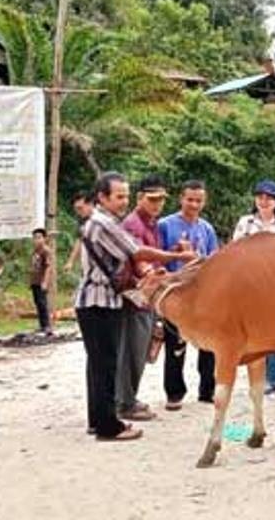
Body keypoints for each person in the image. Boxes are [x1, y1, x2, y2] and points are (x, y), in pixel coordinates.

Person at [76, 171, 194, 441]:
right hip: (99, 301)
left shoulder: (107, 221)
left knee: (99, 363)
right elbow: (136, 253)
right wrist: (178, 255)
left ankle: (99, 419)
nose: (123, 201)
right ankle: (109, 425)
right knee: (106, 363)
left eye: (126, 196)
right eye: (119, 196)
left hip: (101, 300)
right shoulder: (104, 224)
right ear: (102, 197)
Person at [158, 180, 221, 410]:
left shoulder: (207, 228)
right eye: (190, 199)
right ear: (181, 199)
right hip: (175, 293)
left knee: (209, 345)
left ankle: (208, 390)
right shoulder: (165, 225)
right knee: (175, 344)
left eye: (198, 200)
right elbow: (157, 257)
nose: (194, 204)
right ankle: (174, 393)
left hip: (203, 293)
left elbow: (215, 259)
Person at [232, 179, 275, 395]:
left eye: (269, 197)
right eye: (260, 196)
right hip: (249, 284)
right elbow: (235, 250)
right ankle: (259, 377)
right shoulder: (246, 222)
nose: (264, 201)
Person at [116, 175, 169, 422]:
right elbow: (137, 257)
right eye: (152, 199)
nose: (157, 204)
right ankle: (124, 402)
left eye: (161, 200)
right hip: (135, 294)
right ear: (140, 198)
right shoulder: (133, 224)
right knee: (132, 349)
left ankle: (128, 398)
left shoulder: (152, 223)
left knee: (141, 348)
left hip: (148, 294)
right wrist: (149, 272)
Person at [29, 228, 52, 335]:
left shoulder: (46, 251)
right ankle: (42, 325)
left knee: (43, 303)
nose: (36, 240)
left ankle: (47, 326)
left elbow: (48, 267)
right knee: (38, 303)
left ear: (44, 238)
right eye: (34, 238)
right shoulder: (34, 251)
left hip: (42, 281)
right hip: (35, 281)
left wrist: (45, 282)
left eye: (39, 238)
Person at [64, 192, 94, 273]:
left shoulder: (102, 222)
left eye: (80, 208)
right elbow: (80, 240)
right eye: (76, 209)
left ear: (90, 204)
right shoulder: (83, 221)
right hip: (87, 267)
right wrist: (71, 262)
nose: (78, 212)